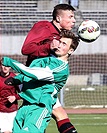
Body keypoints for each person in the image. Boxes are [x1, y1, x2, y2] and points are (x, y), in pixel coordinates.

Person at [2, 29, 79, 133]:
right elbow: (30, 74)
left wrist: (10, 62)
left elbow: (36, 74)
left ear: (70, 50)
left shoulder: (61, 69)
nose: (59, 45)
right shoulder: (46, 60)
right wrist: (17, 79)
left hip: (39, 107)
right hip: (25, 106)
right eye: (60, 42)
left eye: (64, 44)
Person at [21, 3, 78, 133]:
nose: (73, 20)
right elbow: (26, 49)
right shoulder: (43, 26)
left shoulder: (61, 34)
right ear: (58, 18)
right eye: (70, 17)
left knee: (58, 115)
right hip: (36, 84)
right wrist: (48, 47)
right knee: (47, 117)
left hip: (44, 83)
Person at [0, 63, 20, 133]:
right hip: (1, 111)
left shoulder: (14, 78)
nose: (5, 67)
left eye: (7, 66)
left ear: (10, 67)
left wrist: (15, 97)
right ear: (0, 66)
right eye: (3, 65)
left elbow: (23, 93)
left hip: (12, 111)